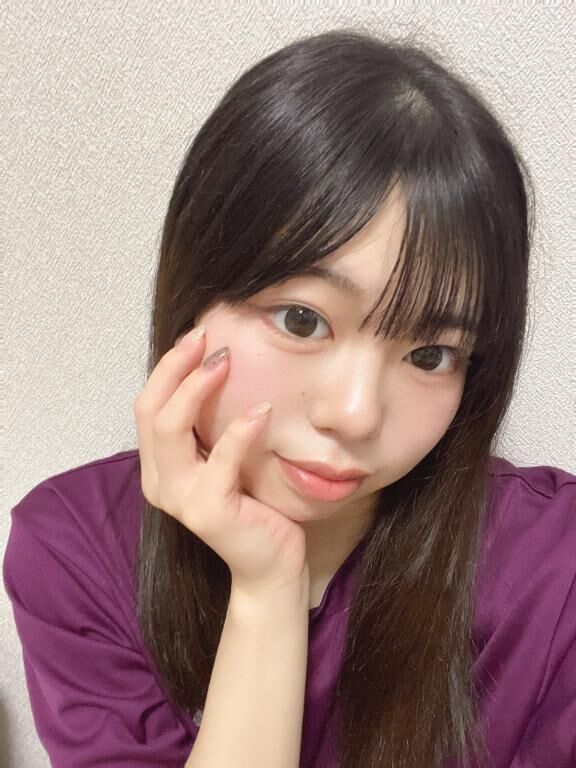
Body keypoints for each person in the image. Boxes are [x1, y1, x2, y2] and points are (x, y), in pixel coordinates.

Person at [3, 28, 575, 768]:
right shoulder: (77, 550)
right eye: (302, 320)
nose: (356, 413)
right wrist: (267, 589)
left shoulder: (553, 569)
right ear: (192, 295)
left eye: (430, 355)